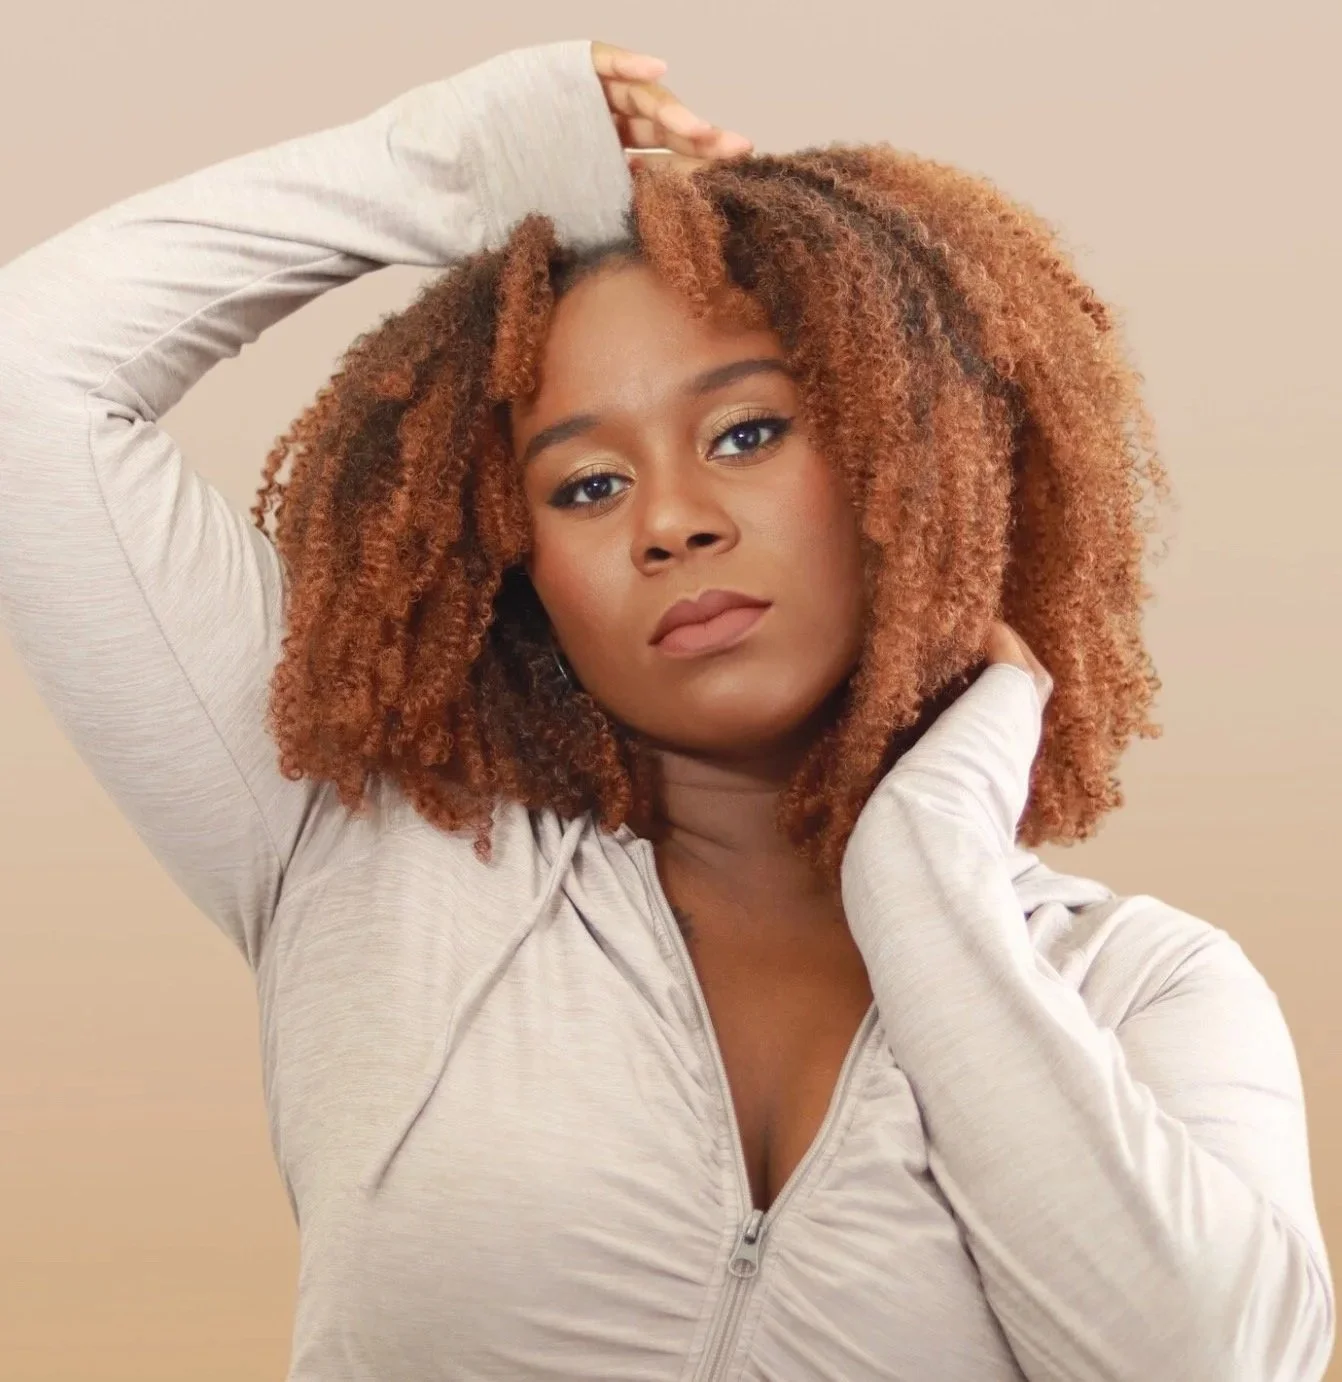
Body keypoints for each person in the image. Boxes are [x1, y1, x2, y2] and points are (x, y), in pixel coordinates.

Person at [0, 33, 1332, 1382]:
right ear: (518, 563)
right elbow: (26, 376)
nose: (672, 523)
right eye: (584, 485)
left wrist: (929, 872)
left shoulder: (1143, 988)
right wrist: (452, 169)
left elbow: (1217, 1362)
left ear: (910, 456)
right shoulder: (363, 844)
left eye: (745, 432)